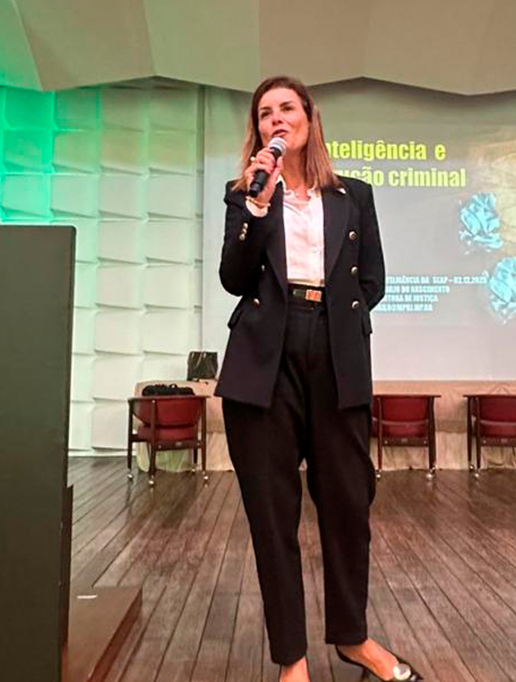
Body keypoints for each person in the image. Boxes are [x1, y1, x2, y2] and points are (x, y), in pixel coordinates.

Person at [216, 75, 423, 682]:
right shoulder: (245, 194)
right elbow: (233, 277)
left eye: (287, 108)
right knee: (272, 514)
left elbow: (372, 281)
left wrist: (334, 321)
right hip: (264, 359)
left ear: (309, 118)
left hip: (335, 352)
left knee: (348, 503)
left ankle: (353, 638)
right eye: (265, 113)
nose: (276, 119)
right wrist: (258, 206)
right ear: (257, 130)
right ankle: (292, 659)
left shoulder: (353, 196)